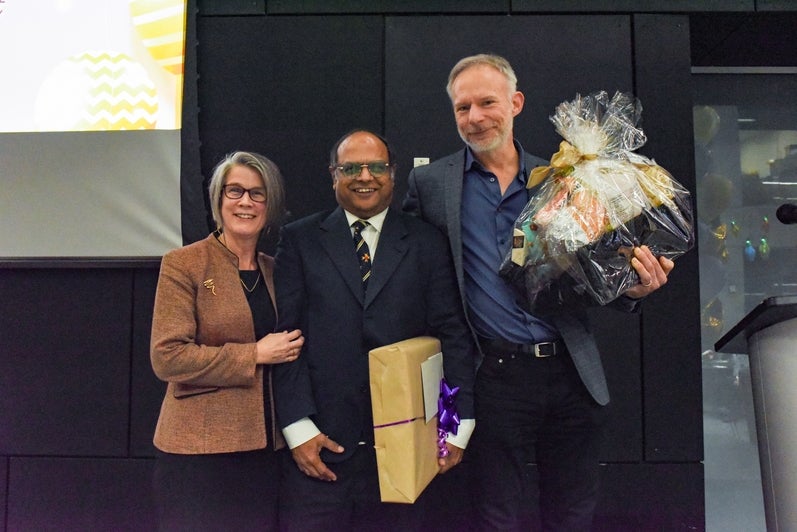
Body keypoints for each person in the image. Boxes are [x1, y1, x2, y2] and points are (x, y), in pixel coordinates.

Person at [402, 54, 675, 531]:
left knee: (572, 515)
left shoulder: (565, 177)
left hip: (571, 372)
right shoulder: (430, 185)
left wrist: (632, 288)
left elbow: (597, 272)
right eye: (463, 107)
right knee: (495, 516)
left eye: (487, 103)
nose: (475, 117)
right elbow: (412, 271)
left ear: (516, 103)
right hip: (492, 376)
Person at [272, 129, 476, 532]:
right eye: (351, 168)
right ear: (333, 174)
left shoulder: (427, 242)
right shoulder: (300, 241)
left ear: (393, 174)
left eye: (377, 167)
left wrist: (455, 425)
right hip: (321, 445)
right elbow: (285, 339)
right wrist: (298, 429)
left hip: (408, 446)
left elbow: (452, 335)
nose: (365, 176)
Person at [150, 151, 305, 531]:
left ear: (271, 204)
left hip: (265, 454)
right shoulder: (184, 264)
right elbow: (168, 357)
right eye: (235, 191)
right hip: (199, 453)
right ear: (218, 199)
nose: (245, 202)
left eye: (257, 193)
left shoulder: (275, 270)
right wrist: (255, 354)